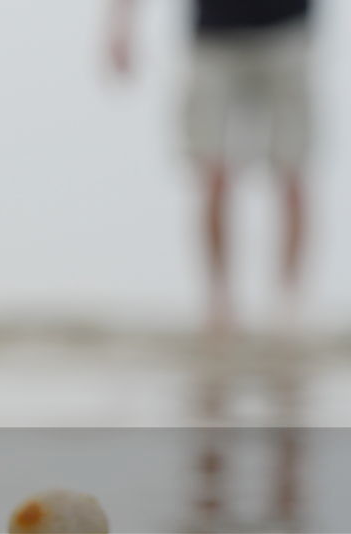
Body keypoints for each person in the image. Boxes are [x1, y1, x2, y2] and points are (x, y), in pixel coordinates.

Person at [108, 0, 316, 329]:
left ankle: (288, 307)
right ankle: (219, 304)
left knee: (292, 170)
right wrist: (121, 24)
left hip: (286, 32)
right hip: (213, 37)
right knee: (212, 172)